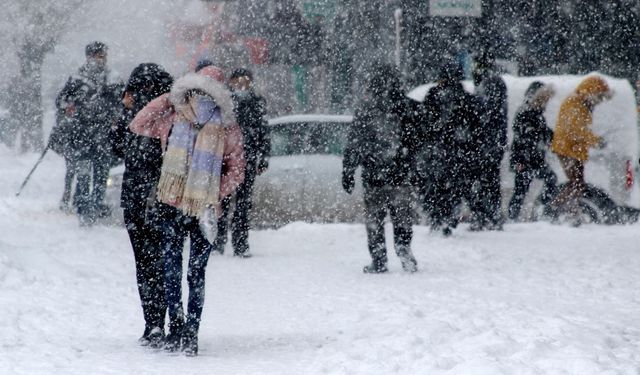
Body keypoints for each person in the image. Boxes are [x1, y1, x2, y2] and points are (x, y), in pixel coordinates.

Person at [130, 65, 245, 356]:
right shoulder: (186, 118)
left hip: (186, 207)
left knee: (178, 270)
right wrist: (213, 193)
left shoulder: (191, 119)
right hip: (190, 208)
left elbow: (139, 123)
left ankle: (182, 329)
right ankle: (187, 331)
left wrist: (211, 192)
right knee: (190, 272)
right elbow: (139, 123)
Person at [110, 63, 173, 348]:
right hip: (152, 199)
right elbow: (115, 147)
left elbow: (116, 148)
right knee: (156, 263)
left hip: (150, 198)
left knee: (150, 264)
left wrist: (125, 113)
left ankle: (156, 322)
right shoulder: (158, 116)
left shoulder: (161, 118)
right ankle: (159, 321)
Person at [342, 63, 418, 274]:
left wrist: (348, 171)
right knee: (402, 218)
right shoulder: (407, 107)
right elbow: (417, 142)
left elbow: (354, 144)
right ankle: (404, 249)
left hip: (374, 175)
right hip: (401, 175)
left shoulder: (366, 110)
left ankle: (379, 259)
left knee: (375, 220)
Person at [58, 41, 123, 224]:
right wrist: (69, 107)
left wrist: (115, 116)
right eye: (98, 56)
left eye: (103, 56)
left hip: (102, 135)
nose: (100, 60)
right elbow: (61, 101)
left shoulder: (113, 78)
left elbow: (122, 103)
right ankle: (83, 209)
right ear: (89, 57)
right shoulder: (77, 78)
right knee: (84, 174)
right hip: (82, 134)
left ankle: (94, 207)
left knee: (101, 176)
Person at [420, 61, 484, 236]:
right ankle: (449, 218)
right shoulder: (466, 98)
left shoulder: (433, 95)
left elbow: (423, 122)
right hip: (460, 151)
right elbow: (477, 127)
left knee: (435, 186)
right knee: (455, 188)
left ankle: (436, 218)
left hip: (437, 151)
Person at [213, 68, 270, 258]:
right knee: (223, 201)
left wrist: (263, 158)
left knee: (243, 205)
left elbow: (264, 131)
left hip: (248, 159)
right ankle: (218, 241)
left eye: (246, 81)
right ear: (231, 82)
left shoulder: (256, 102)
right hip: (226, 160)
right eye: (238, 81)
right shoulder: (224, 102)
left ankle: (241, 243)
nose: (242, 85)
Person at [549, 75, 612, 225]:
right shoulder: (574, 103)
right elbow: (575, 130)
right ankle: (555, 209)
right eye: (599, 97)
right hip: (568, 150)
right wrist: (595, 141)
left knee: (577, 184)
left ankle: (570, 211)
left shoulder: (582, 103)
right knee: (576, 184)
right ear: (592, 92)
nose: (600, 101)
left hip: (574, 150)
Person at [507, 82, 558, 221]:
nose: (546, 103)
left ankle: (539, 207)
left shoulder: (536, 113)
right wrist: (520, 161)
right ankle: (515, 216)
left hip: (533, 159)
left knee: (524, 189)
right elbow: (524, 138)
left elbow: (544, 133)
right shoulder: (525, 112)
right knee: (521, 190)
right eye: (544, 99)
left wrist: (555, 138)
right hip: (524, 159)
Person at [472, 52, 508, 230]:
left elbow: (487, 113)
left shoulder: (490, 83)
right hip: (490, 142)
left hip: (488, 143)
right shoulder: (493, 82)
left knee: (487, 180)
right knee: (488, 181)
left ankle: (487, 217)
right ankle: (488, 216)